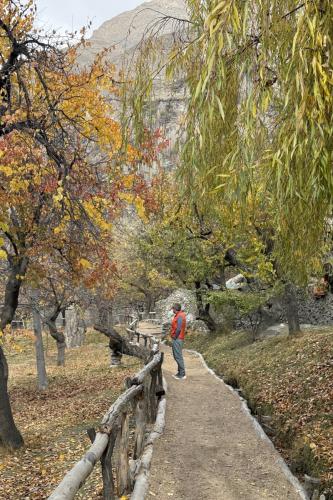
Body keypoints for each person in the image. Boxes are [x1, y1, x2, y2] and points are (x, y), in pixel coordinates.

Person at [170, 303, 187, 380]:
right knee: (176, 355)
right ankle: (180, 372)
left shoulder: (180, 316)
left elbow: (179, 328)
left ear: (175, 309)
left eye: (172, 309)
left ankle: (182, 374)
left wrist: (175, 336)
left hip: (178, 338)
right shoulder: (179, 315)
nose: (172, 310)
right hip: (177, 338)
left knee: (178, 356)